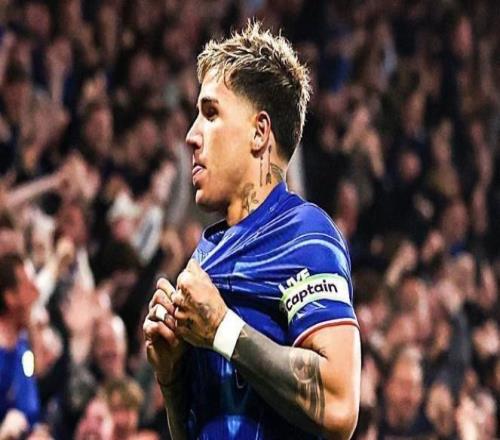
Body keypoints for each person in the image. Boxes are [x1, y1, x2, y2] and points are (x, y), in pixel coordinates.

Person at [143, 22, 361, 439]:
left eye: (211, 114)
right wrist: (172, 380)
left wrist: (221, 329)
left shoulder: (304, 234)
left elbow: (338, 405)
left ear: (259, 133)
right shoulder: (204, 257)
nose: (191, 136)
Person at [0, 253, 40, 433]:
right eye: (27, 285)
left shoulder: (23, 344)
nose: (36, 291)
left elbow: (32, 376)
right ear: (10, 297)